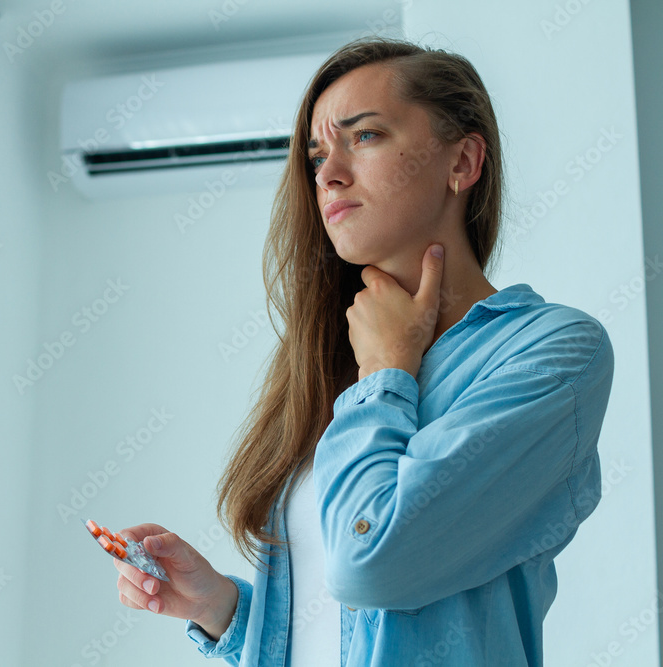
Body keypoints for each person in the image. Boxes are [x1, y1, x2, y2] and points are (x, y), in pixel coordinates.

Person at [112, 35, 614, 665]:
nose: (328, 173)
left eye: (366, 136)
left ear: (462, 162)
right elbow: (339, 629)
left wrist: (386, 369)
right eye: (317, 154)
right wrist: (223, 610)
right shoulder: (337, 360)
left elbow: (374, 565)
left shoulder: (551, 353)